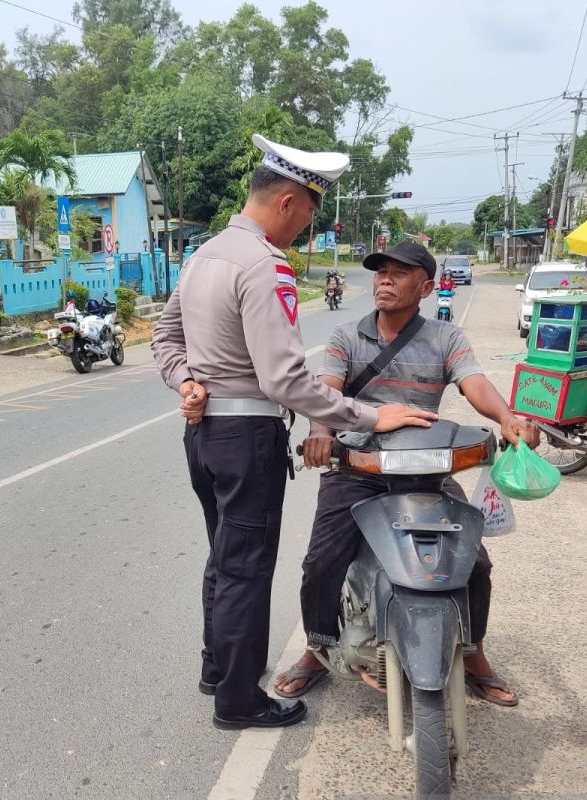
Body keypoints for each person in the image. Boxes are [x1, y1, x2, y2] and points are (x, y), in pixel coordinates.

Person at [151, 133, 437, 731]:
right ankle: (238, 700)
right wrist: (367, 416)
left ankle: (217, 669)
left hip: (203, 435)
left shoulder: (203, 255)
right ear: (287, 202)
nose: (306, 228)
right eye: (308, 213)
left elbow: (165, 339)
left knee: (224, 557)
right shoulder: (264, 263)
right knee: (247, 567)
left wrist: (185, 382)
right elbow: (284, 379)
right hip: (246, 437)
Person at [271, 242, 540, 707]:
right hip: (356, 465)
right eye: (381, 272)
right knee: (321, 562)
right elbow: (325, 392)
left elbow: (474, 383)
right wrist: (319, 432)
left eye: (399, 273)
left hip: (426, 470)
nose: (385, 280)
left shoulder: (445, 337)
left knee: (475, 564)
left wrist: (506, 418)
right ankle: (318, 646)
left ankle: (474, 654)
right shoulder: (346, 337)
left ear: (428, 287)